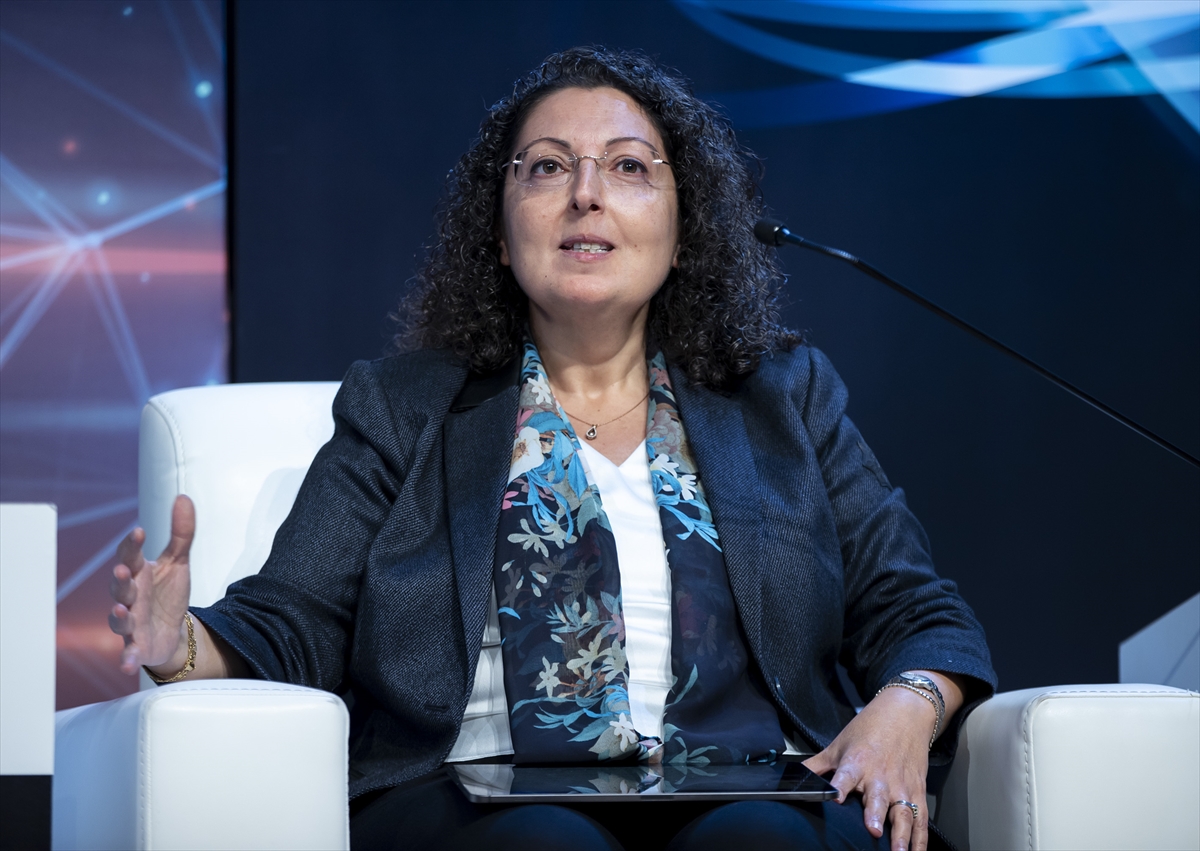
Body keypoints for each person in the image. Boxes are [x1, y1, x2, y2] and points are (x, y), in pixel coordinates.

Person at [109, 47, 995, 851]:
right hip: (470, 797)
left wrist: (907, 704)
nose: (586, 193)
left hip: (756, 785)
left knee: (758, 839)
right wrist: (176, 641)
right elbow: (292, 622)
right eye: (547, 166)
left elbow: (918, 610)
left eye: (629, 166)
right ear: (500, 234)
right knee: (547, 842)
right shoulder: (403, 407)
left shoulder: (784, 400)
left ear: (683, 229)